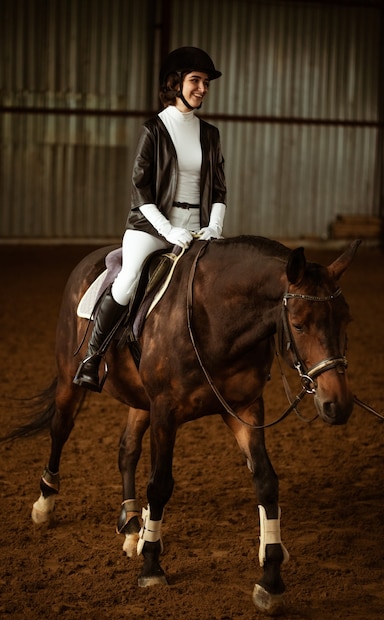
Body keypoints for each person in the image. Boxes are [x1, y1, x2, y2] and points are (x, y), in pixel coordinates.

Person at [73, 46, 227, 392]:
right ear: (175, 84)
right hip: (151, 227)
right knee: (128, 279)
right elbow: (140, 192)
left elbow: (219, 190)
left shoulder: (210, 134)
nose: (202, 88)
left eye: (205, 82)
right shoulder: (153, 130)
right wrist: (169, 230)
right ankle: (92, 358)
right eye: (195, 80)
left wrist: (214, 227)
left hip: (198, 228)